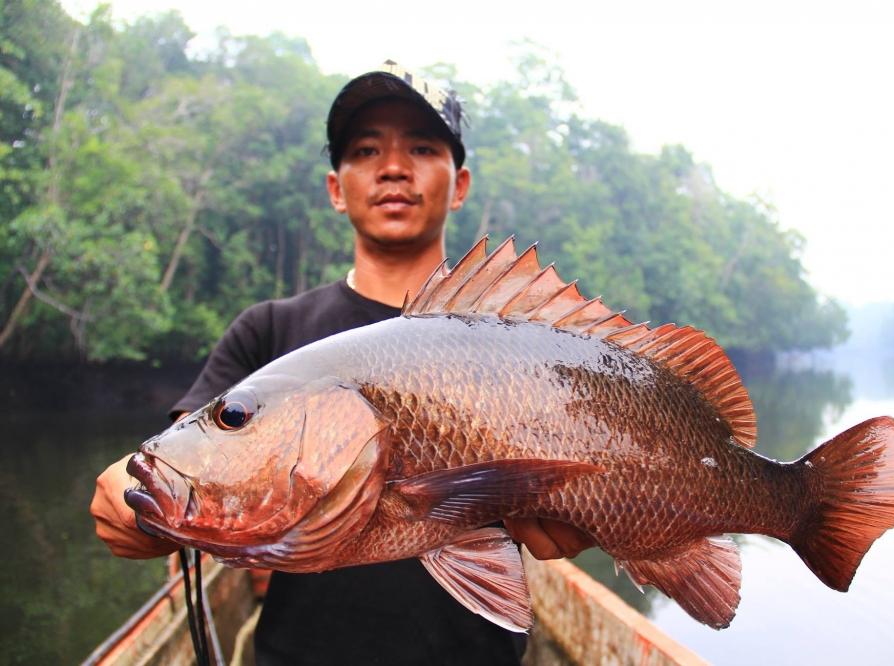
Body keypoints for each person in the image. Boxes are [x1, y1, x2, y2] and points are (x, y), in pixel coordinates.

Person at [90, 60, 593, 665]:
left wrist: (605, 506)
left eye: (423, 146)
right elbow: (177, 455)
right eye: (364, 149)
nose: (393, 168)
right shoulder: (270, 331)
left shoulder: (518, 336)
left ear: (459, 185)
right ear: (336, 188)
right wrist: (135, 497)